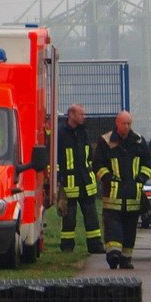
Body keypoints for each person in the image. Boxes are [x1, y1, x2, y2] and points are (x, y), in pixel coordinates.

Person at [93, 110, 151, 269]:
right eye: (124, 123)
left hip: (133, 194)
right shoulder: (105, 141)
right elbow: (98, 164)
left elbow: (148, 163)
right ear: (117, 123)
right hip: (113, 193)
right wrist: (107, 178)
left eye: (129, 123)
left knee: (130, 227)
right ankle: (113, 254)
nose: (127, 126)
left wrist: (141, 179)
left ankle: (126, 258)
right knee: (112, 225)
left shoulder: (139, 141)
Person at [56, 104, 103, 254]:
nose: (84, 117)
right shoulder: (60, 133)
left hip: (86, 183)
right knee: (68, 218)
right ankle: (67, 246)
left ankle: (95, 246)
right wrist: (58, 179)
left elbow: (89, 155)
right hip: (69, 183)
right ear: (71, 115)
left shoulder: (84, 132)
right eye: (81, 114)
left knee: (92, 217)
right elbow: (55, 159)